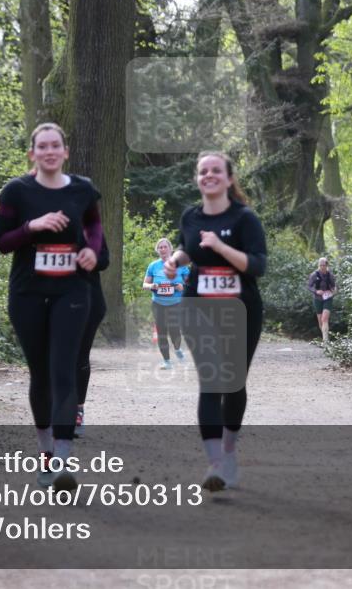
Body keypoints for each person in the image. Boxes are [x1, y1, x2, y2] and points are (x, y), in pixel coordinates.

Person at [0, 122, 102, 492]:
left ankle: (63, 462)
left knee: (64, 371)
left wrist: (92, 252)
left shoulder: (83, 189)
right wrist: (32, 227)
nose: (50, 151)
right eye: (43, 146)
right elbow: (0, 242)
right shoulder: (17, 191)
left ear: (65, 152)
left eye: (56, 145)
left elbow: (95, 228)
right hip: (27, 293)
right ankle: (45, 454)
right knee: (41, 375)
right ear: (32, 153)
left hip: (72, 292)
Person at [164, 151, 266, 491]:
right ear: (197, 179)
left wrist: (221, 247)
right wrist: (176, 261)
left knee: (233, 384)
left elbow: (257, 266)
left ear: (229, 178)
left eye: (216, 171)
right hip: (198, 308)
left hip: (241, 310)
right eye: (203, 171)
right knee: (210, 382)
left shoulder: (244, 218)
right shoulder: (191, 216)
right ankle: (215, 464)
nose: (208, 175)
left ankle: (229, 451)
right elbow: (187, 246)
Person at [75, 235, 109, 437]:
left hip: (89, 300)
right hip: (53, 299)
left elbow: (104, 260)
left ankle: (77, 410)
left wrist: (88, 258)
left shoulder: (90, 228)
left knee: (80, 355)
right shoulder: (47, 223)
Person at [143, 238, 189, 369]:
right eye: (160, 247)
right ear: (157, 250)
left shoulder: (181, 266)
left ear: (170, 249)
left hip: (175, 303)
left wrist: (182, 286)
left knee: (174, 330)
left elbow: (191, 284)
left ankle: (178, 349)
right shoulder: (153, 266)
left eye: (165, 247)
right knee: (161, 332)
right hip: (158, 304)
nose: (163, 249)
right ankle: (167, 361)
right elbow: (144, 284)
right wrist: (151, 286)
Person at [307, 257, 337, 344]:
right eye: (321, 265)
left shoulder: (330, 275)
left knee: (324, 319)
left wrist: (333, 290)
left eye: (324, 265)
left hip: (328, 298)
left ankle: (326, 341)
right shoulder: (314, 275)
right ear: (318, 265)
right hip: (318, 299)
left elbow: (334, 286)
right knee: (320, 321)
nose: (322, 267)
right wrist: (316, 291)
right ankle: (325, 337)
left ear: (327, 265)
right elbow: (309, 286)